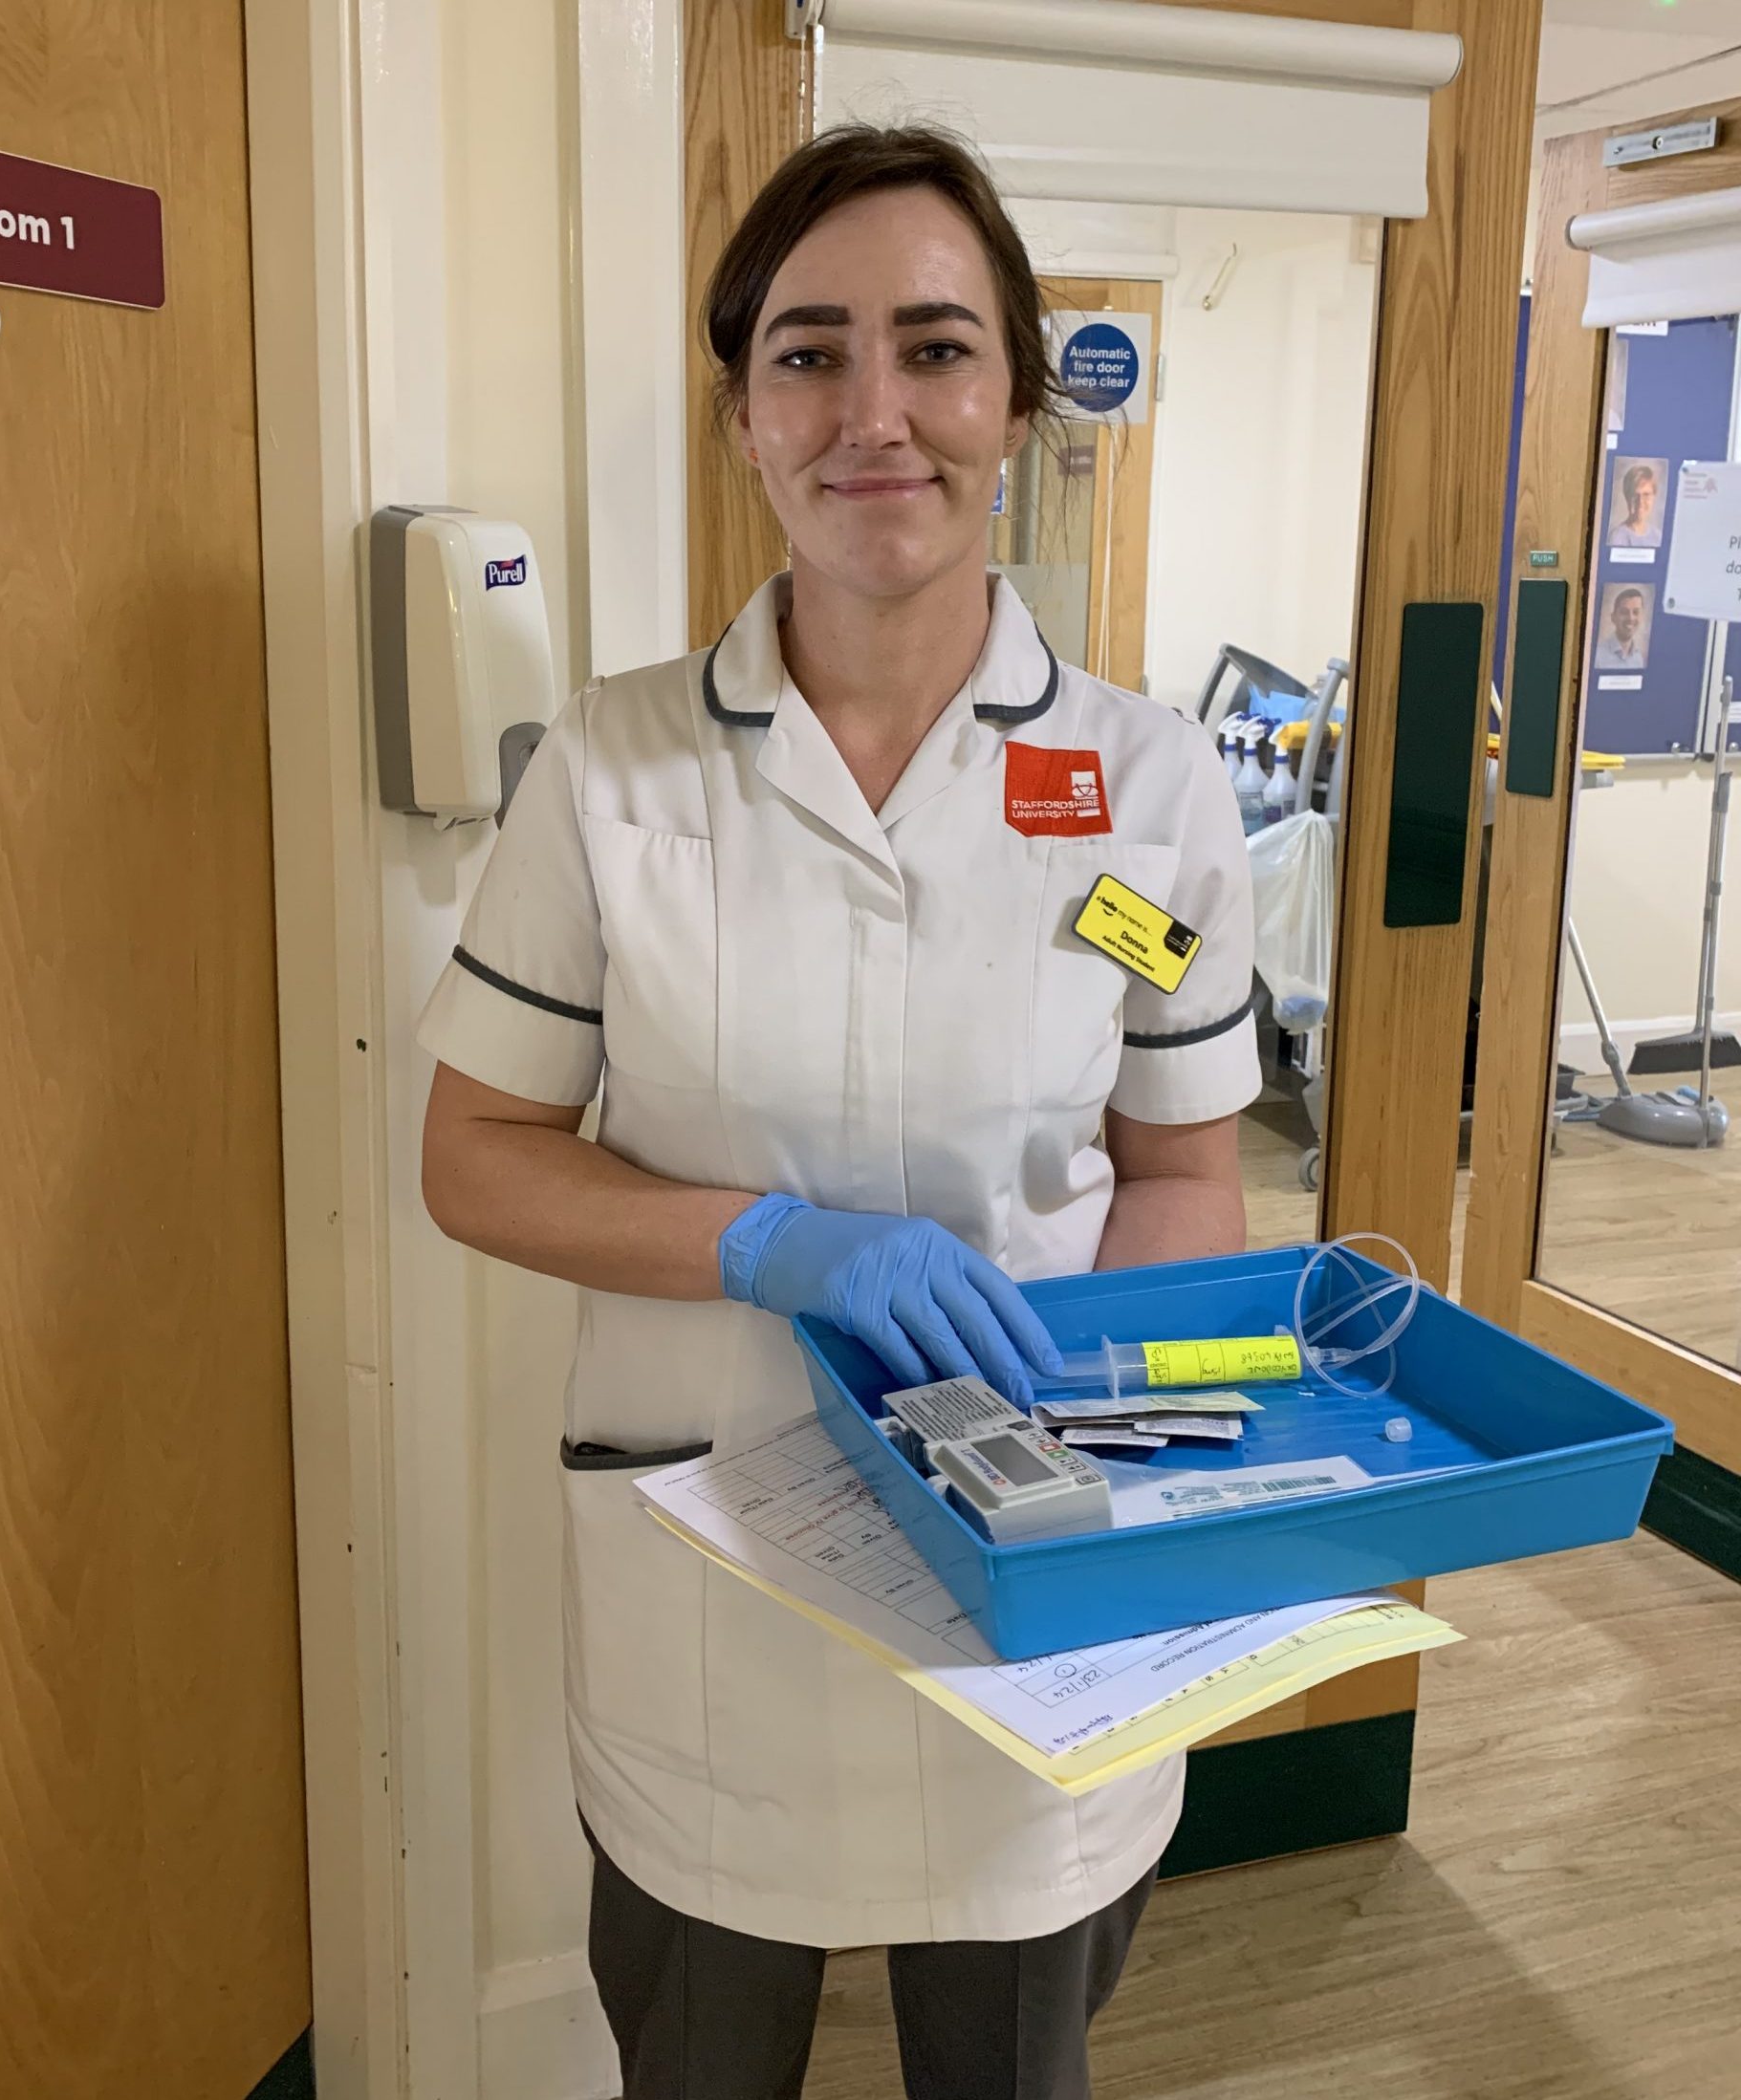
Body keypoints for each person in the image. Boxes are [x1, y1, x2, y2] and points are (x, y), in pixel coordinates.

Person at [419, 123, 1258, 2100]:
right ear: (739, 416)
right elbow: (472, 1155)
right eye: (808, 353)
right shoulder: (613, 772)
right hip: (709, 1605)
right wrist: (769, 1242)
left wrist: (1110, 1418)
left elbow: (1187, 1165)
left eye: (936, 349)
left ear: (1018, 400)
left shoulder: (1150, 783)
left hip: (1033, 1588)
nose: (875, 412)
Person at [1608, 462, 1663, 549]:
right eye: (1635, 495)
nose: (1640, 501)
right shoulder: (1617, 538)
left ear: (1654, 497)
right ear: (1627, 497)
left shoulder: (1658, 537)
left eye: (1646, 494)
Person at [1596, 585, 1649, 669]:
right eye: (1624, 612)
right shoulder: (1597, 655)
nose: (1631, 618)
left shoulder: (1638, 658)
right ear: (1613, 617)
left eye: (1636, 612)